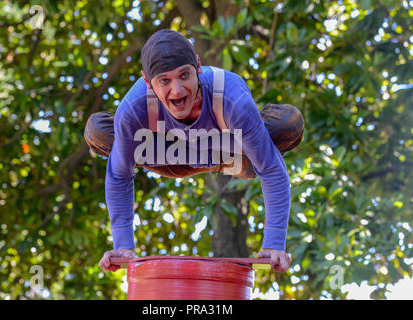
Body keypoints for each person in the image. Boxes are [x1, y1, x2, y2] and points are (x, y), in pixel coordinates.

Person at [84, 29, 304, 273]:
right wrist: (123, 245)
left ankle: (227, 159)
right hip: (169, 156)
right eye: (164, 81)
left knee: (288, 122)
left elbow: (271, 169)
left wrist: (274, 244)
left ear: (198, 66)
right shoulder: (134, 108)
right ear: (148, 82)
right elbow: (119, 175)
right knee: (98, 130)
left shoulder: (231, 99)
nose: (177, 91)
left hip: (231, 152)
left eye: (184, 75)